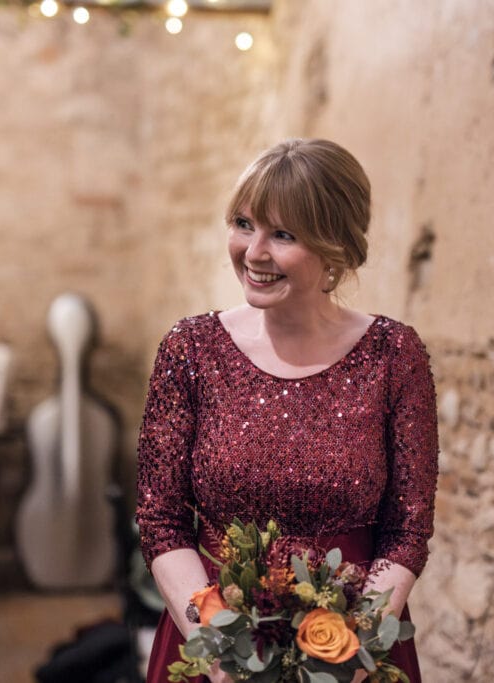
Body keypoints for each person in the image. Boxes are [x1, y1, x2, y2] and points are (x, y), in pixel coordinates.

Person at [136, 139, 438, 683]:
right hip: (214, 643)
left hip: (352, 651)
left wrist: (355, 647)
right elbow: (162, 521)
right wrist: (218, 636)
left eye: (283, 234)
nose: (253, 252)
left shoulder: (394, 355)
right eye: (243, 223)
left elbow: (407, 527)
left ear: (336, 246)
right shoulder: (191, 349)